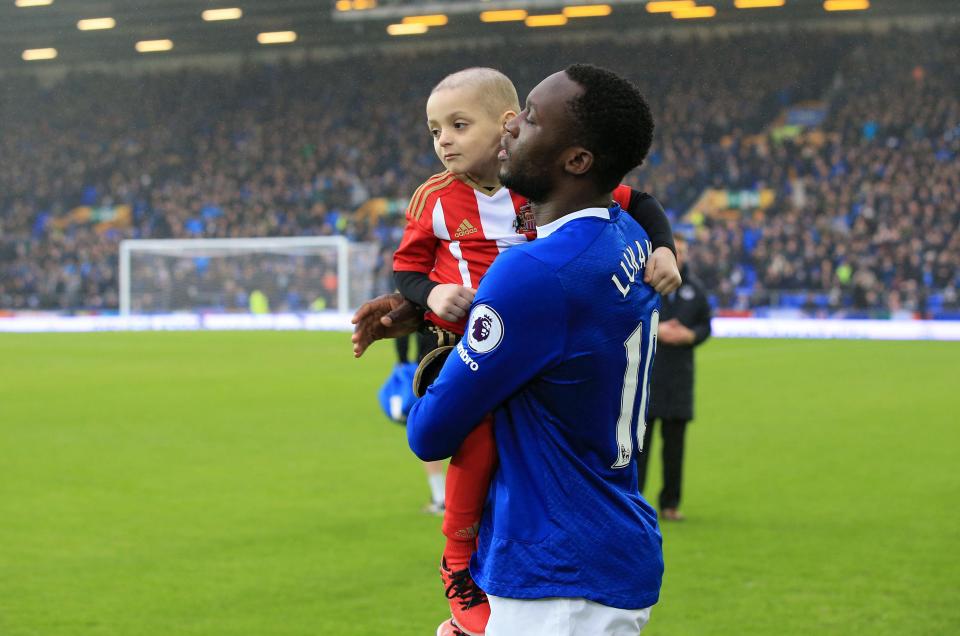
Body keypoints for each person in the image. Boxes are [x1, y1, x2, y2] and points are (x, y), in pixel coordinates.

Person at [383, 67, 680, 635]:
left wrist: (424, 383)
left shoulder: (534, 273)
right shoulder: (624, 236)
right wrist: (420, 302)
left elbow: (430, 433)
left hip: (555, 578)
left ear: (576, 161)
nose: (512, 125)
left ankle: (454, 562)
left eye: (533, 117)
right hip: (606, 542)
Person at [636, 235, 712, 521]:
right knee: (639, 447)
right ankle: (636, 501)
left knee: (675, 448)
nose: (678, 256)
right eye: (674, 250)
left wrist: (690, 335)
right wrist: (658, 331)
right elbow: (630, 318)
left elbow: (706, 324)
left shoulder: (695, 288)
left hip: (680, 380)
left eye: (682, 251)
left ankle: (670, 503)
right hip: (647, 378)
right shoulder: (646, 282)